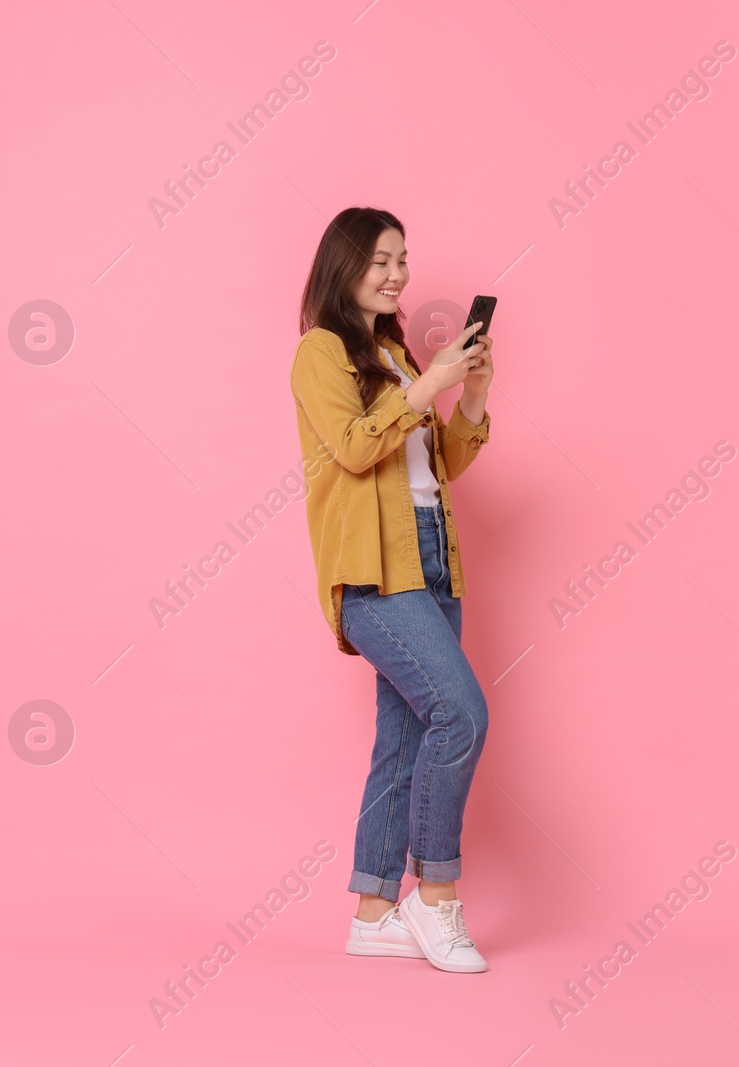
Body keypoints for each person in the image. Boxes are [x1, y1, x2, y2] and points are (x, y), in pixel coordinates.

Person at [288, 206, 496, 973]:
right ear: (343, 265)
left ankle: (374, 912)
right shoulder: (319, 351)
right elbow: (350, 447)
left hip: (431, 558)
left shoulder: (391, 350)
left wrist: (465, 393)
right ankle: (434, 896)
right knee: (461, 713)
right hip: (373, 571)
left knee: (406, 736)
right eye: (381, 260)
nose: (398, 273)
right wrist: (426, 384)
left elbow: (437, 462)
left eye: (403, 258)